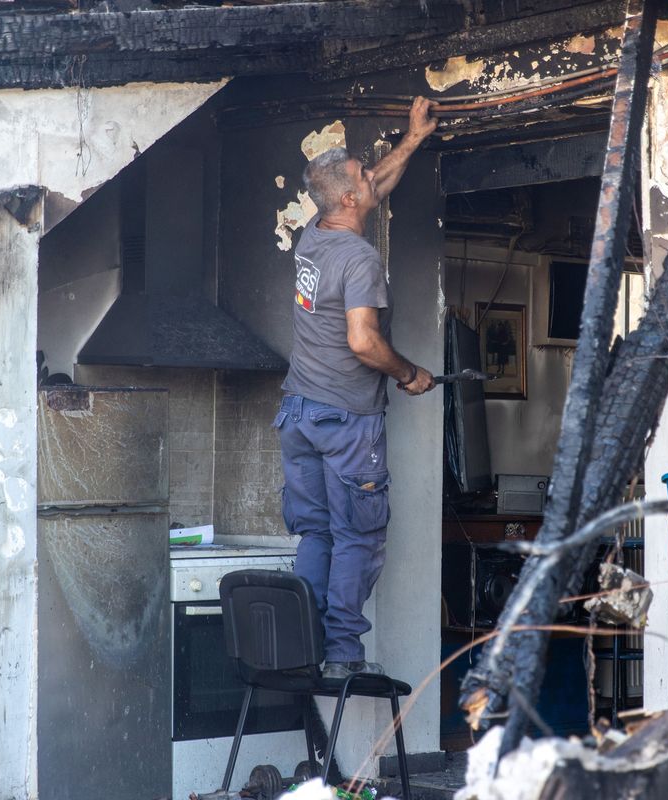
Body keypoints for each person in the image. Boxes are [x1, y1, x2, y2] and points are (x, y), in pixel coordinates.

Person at [275, 98, 438, 680]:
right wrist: (410, 374)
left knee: (317, 534)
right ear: (349, 199)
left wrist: (413, 140)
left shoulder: (316, 236)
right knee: (358, 539)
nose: (372, 181)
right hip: (346, 418)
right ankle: (344, 655)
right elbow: (364, 343)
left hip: (299, 413)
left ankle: (301, 647)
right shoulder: (360, 258)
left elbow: (371, 188)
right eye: (364, 178)